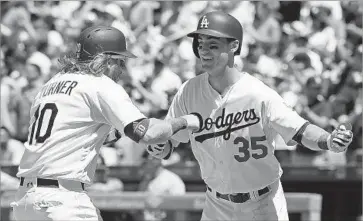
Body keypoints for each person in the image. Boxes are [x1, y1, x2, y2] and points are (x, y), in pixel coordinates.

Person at [146, 11, 354, 221]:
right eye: (200, 44)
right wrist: (158, 145)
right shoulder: (188, 91)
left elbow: (300, 130)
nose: (204, 51)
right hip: (216, 205)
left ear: (234, 46)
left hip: (263, 204)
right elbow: (168, 146)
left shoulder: (258, 93)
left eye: (213, 45)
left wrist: (328, 140)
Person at [10, 26, 200, 221]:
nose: (122, 69)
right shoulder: (100, 84)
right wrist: (187, 120)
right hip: (61, 199)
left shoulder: (50, 85)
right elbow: (148, 133)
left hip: (26, 200)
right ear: (108, 60)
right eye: (121, 62)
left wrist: (120, 131)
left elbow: (76, 134)